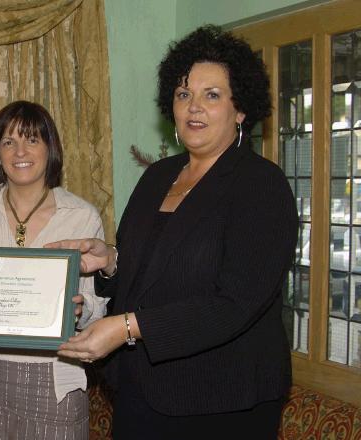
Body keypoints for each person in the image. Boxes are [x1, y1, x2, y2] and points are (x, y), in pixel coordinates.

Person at [49, 25, 298, 439]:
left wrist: (127, 328)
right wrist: (110, 260)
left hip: (221, 401)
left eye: (211, 95)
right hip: (138, 389)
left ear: (241, 110)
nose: (193, 107)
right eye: (184, 94)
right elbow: (153, 268)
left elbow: (234, 304)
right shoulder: (160, 176)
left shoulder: (261, 184)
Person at [0, 100, 107, 439]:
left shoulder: (82, 217)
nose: (20, 151)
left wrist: (81, 309)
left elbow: (98, 308)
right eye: (9, 142)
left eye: (32, 139)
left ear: (50, 148)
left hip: (57, 377)